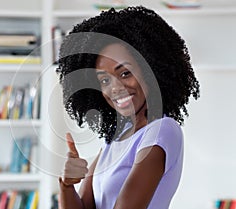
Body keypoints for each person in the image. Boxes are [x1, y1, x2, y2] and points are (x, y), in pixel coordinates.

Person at [56, 6, 200, 209]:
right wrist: (66, 185)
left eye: (125, 73)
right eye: (104, 80)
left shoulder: (162, 130)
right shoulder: (115, 140)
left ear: (152, 70)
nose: (116, 88)